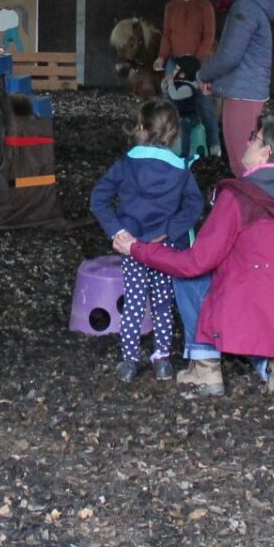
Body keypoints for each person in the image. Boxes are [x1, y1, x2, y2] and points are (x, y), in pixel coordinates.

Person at [113, 116, 274, 397]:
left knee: (190, 277)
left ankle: (205, 368)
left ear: (266, 152)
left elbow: (196, 262)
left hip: (249, 309)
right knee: (261, 283)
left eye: (253, 137)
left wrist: (138, 249)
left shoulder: (240, 197)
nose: (247, 141)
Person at [89, 99, 203, 384]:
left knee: (134, 304)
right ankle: (162, 359)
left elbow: (99, 198)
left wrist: (117, 231)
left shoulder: (126, 164)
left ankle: (129, 361)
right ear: (173, 134)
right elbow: (194, 205)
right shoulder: (180, 170)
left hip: (133, 248)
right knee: (164, 303)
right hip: (164, 250)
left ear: (141, 128)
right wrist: (170, 230)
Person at [196, 0, 274, 176]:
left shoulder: (245, 6)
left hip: (243, 92)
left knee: (242, 164)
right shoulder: (251, 2)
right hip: (245, 88)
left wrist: (203, 74)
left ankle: (250, 211)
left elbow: (230, 55)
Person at [153, 0, 220, 162]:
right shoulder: (171, 6)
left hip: (197, 60)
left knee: (203, 101)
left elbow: (208, 36)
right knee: (169, 100)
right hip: (175, 59)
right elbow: (167, 35)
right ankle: (170, 141)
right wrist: (162, 57)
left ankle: (214, 143)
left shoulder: (204, 6)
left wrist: (196, 62)